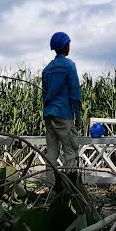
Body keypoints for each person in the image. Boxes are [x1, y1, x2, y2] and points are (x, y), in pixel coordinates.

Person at [41, 31, 82, 194]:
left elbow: (44, 94)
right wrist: (78, 116)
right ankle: (71, 188)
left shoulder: (47, 69)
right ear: (66, 46)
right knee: (70, 150)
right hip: (64, 114)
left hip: (49, 113)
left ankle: (53, 187)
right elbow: (75, 93)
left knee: (51, 151)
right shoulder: (69, 66)